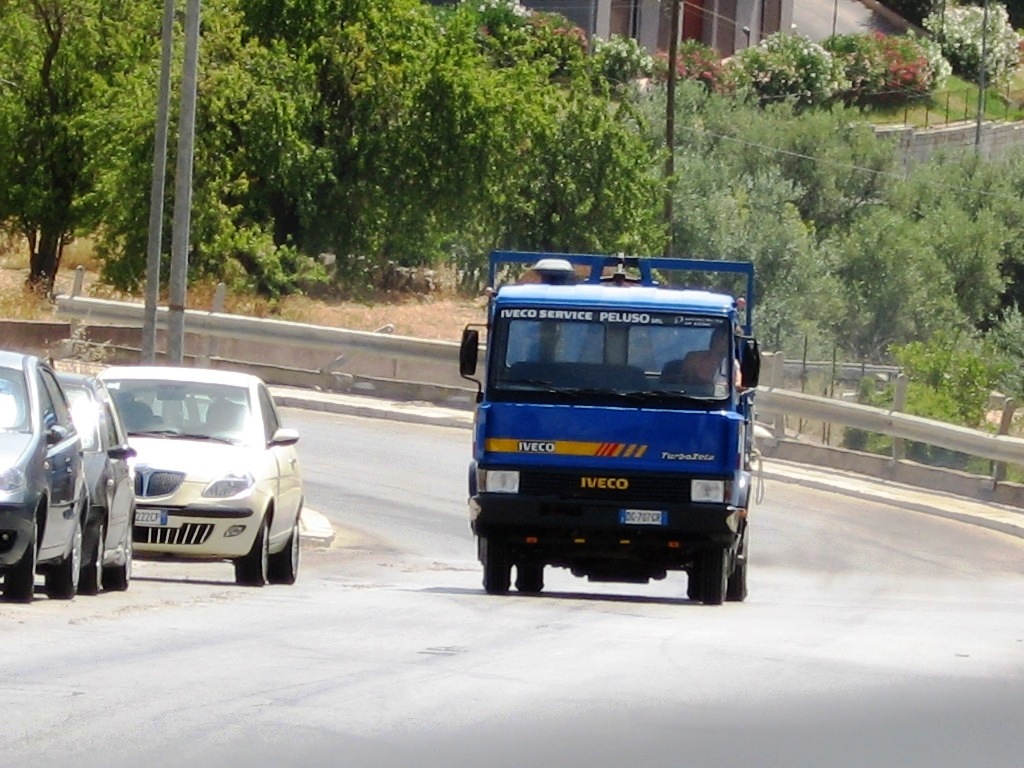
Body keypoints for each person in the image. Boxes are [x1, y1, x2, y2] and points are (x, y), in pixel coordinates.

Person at [662, 324, 742, 392]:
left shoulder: (732, 364)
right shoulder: (693, 358)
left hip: (719, 405)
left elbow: (740, 384)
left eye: (729, 341)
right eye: (721, 338)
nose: (723, 343)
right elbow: (681, 383)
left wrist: (730, 387)